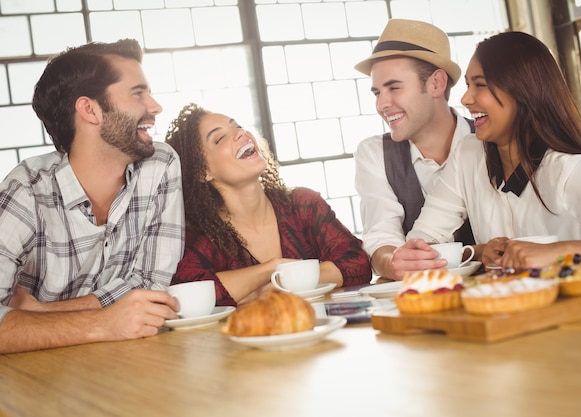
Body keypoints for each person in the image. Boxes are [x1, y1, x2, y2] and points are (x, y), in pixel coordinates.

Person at [0, 39, 185, 354]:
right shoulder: (27, 191)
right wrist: (106, 322)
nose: (155, 107)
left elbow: (152, 289)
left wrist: (40, 313)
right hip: (35, 377)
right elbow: (131, 306)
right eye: (138, 93)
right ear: (90, 110)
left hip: (129, 362)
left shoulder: (161, 163)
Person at [406, 31, 581, 269]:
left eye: (480, 84)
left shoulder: (566, 170)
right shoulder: (468, 154)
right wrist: (478, 252)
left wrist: (558, 251)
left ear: (523, 90)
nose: (466, 98)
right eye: (468, 85)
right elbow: (421, 243)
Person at [165, 103, 372, 306]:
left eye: (237, 126)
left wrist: (276, 285)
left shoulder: (303, 205)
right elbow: (187, 295)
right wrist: (270, 269)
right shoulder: (201, 238)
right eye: (220, 138)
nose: (240, 134)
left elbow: (357, 264)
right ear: (202, 172)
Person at [353, 19, 475, 281]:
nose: (382, 104)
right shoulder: (374, 153)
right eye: (377, 92)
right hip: (422, 298)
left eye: (394, 87)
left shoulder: (489, 140)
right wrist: (392, 262)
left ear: (436, 84)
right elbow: (381, 236)